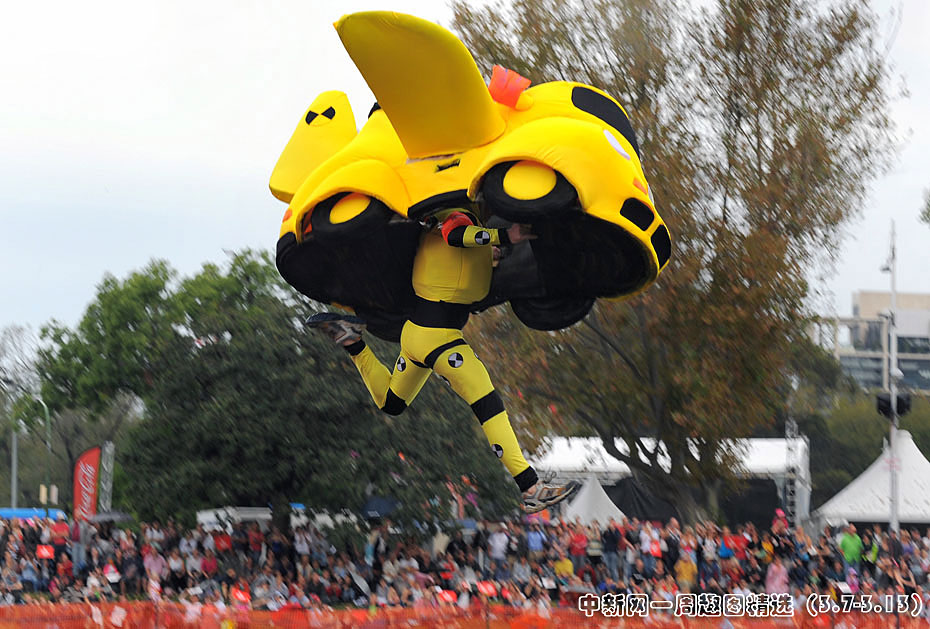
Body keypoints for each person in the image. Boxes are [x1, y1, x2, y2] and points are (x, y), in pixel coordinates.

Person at [310, 210, 579, 513]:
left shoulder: (436, 228)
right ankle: (530, 487)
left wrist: (495, 248)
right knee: (487, 403)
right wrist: (506, 236)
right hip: (439, 337)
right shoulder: (454, 218)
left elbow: (462, 248)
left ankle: (352, 341)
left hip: (417, 334)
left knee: (391, 402)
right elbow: (457, 234)